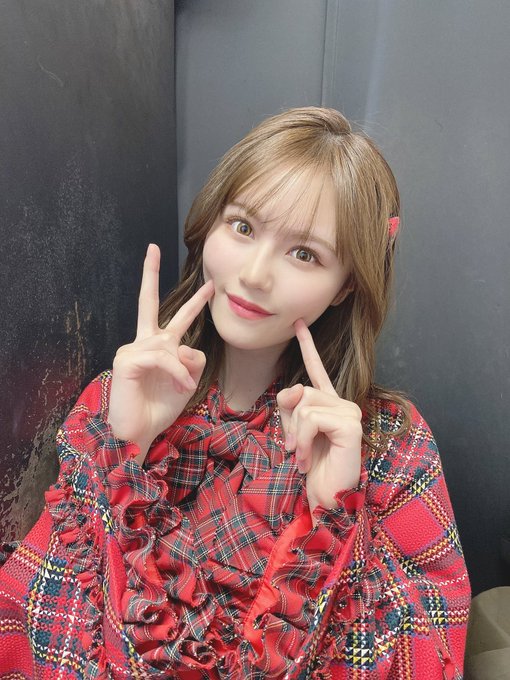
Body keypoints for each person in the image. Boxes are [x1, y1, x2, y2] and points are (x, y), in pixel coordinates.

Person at [0, 107, 470, 678]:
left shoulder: (390, 444)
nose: (255, 274)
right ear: (211, 224)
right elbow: (36, 628)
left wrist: (332, 520)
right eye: (243, 227)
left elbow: (431, 659)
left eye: (305, 254)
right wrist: (125, 458)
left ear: (345, 285)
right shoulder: (117, 397)